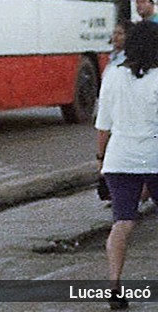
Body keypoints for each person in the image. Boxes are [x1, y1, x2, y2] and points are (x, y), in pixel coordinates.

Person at [94, 21, 158, 309]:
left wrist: (99, 160)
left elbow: (103, 125)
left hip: (119, 158)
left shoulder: (113, 75)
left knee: (122, 222)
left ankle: (115, 286)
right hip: (154, 157)